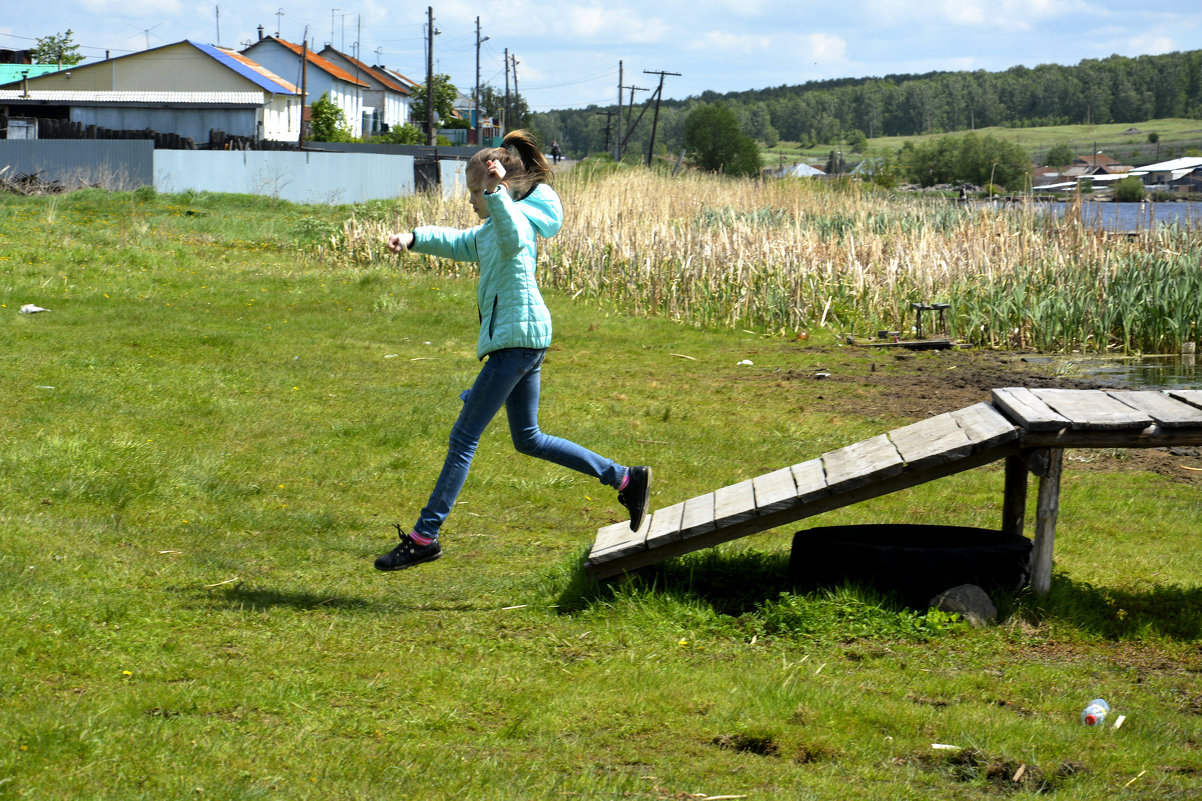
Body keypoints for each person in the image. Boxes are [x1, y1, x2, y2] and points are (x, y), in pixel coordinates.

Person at [376, 130, 650, 571]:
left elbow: (510, 235)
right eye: (472, 193)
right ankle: (624, 479)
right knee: (529, 439)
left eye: (474, 193)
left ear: (498, 189)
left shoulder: (513, 220)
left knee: (463, 440)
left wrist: (496, 191)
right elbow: (458, 240)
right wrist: (413, 238)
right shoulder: (491, 227)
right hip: (524, 341)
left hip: (516, 342)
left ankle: (425, 536)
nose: (471, 201)